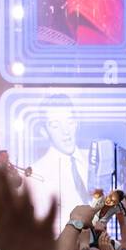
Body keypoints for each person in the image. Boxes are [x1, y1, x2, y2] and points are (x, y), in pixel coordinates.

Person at [26, 94, 94, 225]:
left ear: (76, 123)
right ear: (44, 132)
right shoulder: (36, 175)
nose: (65, 131)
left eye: (70, 122)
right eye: (55, 125)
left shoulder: (94, 161)